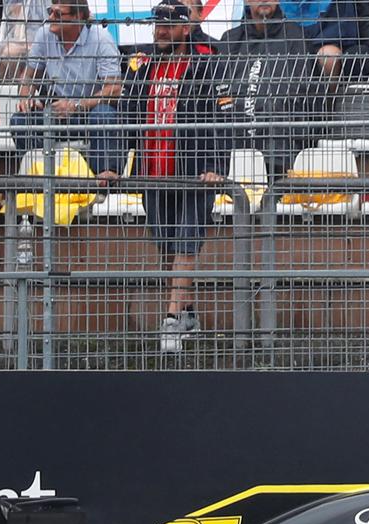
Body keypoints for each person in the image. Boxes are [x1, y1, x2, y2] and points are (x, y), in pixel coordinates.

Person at [101, 0, 226, 352]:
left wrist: (217, 166)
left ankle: (171, 318)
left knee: (186, 240)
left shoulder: (205, 64)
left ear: (186, 29)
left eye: (169, 26)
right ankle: (187, 312)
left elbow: (222, 121)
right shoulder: (141, 66)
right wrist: (114, 163)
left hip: (194, 171)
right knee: (168, 245)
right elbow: (126, 117)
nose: (161, 31)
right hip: (153, 172)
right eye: (158, 25)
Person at [10, 0, 122, 176]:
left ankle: (104, 177)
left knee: (104, 114)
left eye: (58, 14)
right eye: (50, 11)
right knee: (20, 121)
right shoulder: (44, 35)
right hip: (57, 111)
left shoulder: (101, 39)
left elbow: (114, 89)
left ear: (78, 17)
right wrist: (27, 96)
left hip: (90, 110)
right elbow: (30, 76)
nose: (50, 18)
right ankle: (39, 176)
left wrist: (76, 105)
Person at [220, 0, 330, 179]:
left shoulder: (297, 38)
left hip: (282, 152)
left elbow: (304, 97)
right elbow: (220, 93)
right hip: (233, 150)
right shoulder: (230, 40)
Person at [276, 0, 358, 77]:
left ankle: (330, 92)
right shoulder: (276, 4)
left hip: (323, 42)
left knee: (329, 55)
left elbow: (340, 28)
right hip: (286, 44)